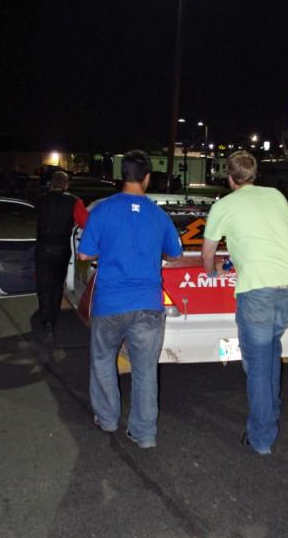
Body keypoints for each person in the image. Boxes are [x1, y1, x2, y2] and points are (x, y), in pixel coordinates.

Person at [202, 150, 288, 456]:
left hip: (259, 288)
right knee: (270, 351)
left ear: (230, 178)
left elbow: (208, 253)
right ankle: (270, 412)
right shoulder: (275, 196)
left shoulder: (224, 205)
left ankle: (262, 437)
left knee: (258, 365)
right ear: (255, 175)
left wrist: (212, 272)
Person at [77, 150, 183, 449]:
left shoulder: (103, 210)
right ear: (147, 177)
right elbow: (174, 255)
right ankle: (144, 433)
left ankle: (108, 419)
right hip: (148, 304)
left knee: (102, 360)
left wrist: (109, 250)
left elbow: (85, 254)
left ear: (121, 175)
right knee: (146, 370)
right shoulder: (159, 215)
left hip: (110, 303)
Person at [35, 170, 88, 341]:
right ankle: (53, 319)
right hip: (61, 248)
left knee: (43, 285)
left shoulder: (40, 200)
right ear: (66, 185)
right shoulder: (74, 201)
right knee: (57, 285)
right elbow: (85, 223)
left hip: (42, 248)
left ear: (51, 183)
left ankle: (46, 322)